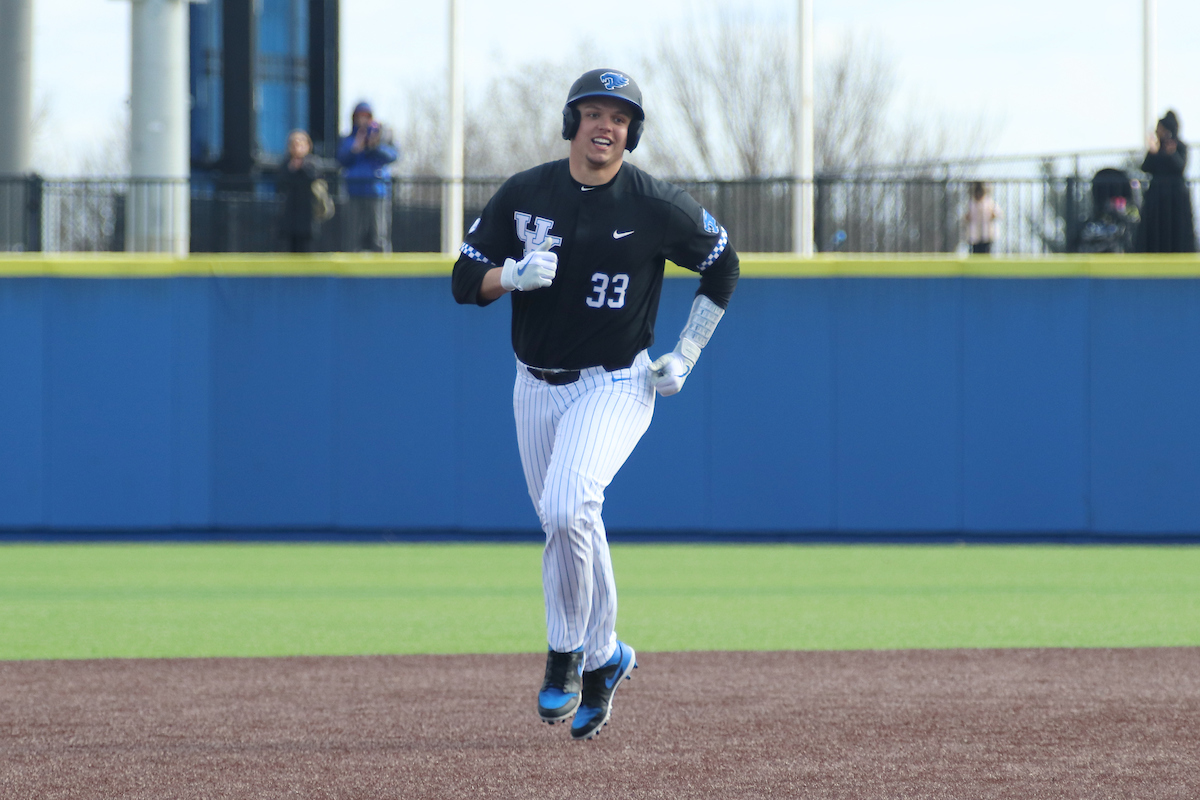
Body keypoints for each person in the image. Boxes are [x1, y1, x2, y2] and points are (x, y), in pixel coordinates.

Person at [451, 68, 739, 742]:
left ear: (631, 133)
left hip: (616, 381)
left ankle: (566, 655)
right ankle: (607, 656)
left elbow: (723, 264)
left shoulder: (655, 203)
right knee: (565, 523)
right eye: (594, 113)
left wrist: (688, 351)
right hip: (534, 383)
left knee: (566, 505)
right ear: (571, 122)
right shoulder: (526, 193)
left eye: (620, 116)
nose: (605, 125)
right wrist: (507, 276)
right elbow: (464, 280)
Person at [336, 101, 398, 252]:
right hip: (354, 192)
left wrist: (374, 146)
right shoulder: (348, 139)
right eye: (359, 116)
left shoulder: (382, 137)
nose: (362, 120)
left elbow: (393, 156)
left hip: (377, 192)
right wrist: (355, 149)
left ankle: (382, 268)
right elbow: (341, 159)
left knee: (379, 235)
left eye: (366, 116)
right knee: (353, 235)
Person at [1136, 110, 1196, 253]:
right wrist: (1152, 152)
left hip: (1175, 197)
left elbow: (1180, 167)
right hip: (1157, 197)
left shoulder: (1180, 146)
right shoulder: (1157, 148)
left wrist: (1171, 155)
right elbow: (1145, 168)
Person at [276, 129, 330, 253]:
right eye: (294, 144)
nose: (297, 148)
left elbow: (313, 178)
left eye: (300, 144)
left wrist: (301, 166)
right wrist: (292, 168)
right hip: (290, 214)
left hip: (308, 214)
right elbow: (281, 183)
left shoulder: (313, 163)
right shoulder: (286, 164)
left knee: (308, 248)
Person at [963, 181, 1000, 255]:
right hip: (974, 233)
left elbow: (997, 213)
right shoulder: (971, 203)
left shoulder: (989, 202)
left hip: (986, 233)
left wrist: (993, 215)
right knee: (975, 251)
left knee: (986, 251)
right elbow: (965, 217)